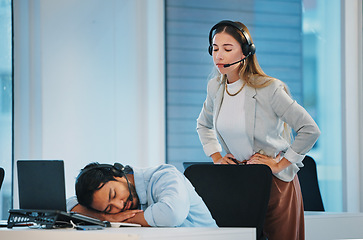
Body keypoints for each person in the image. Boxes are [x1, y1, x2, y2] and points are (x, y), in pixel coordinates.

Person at [196, 20, 320, 240]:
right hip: (240, 184)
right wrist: (216, 157)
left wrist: (280, 164)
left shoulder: (268, 88)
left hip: (275, 185)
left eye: (227, 49)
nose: (219, 56)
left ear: (246, 52)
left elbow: (309, 129)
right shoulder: (215, 87)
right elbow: (203, 125)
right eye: (215, 49)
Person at [67, 162, 217, 227]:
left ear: (118, 173)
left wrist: (121, 221)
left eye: (113, 195)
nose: (119, 206)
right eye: (108, 208)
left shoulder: (164, 176)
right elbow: (68, 205)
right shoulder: (115, 209)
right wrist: (106, 218)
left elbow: (172, 214)